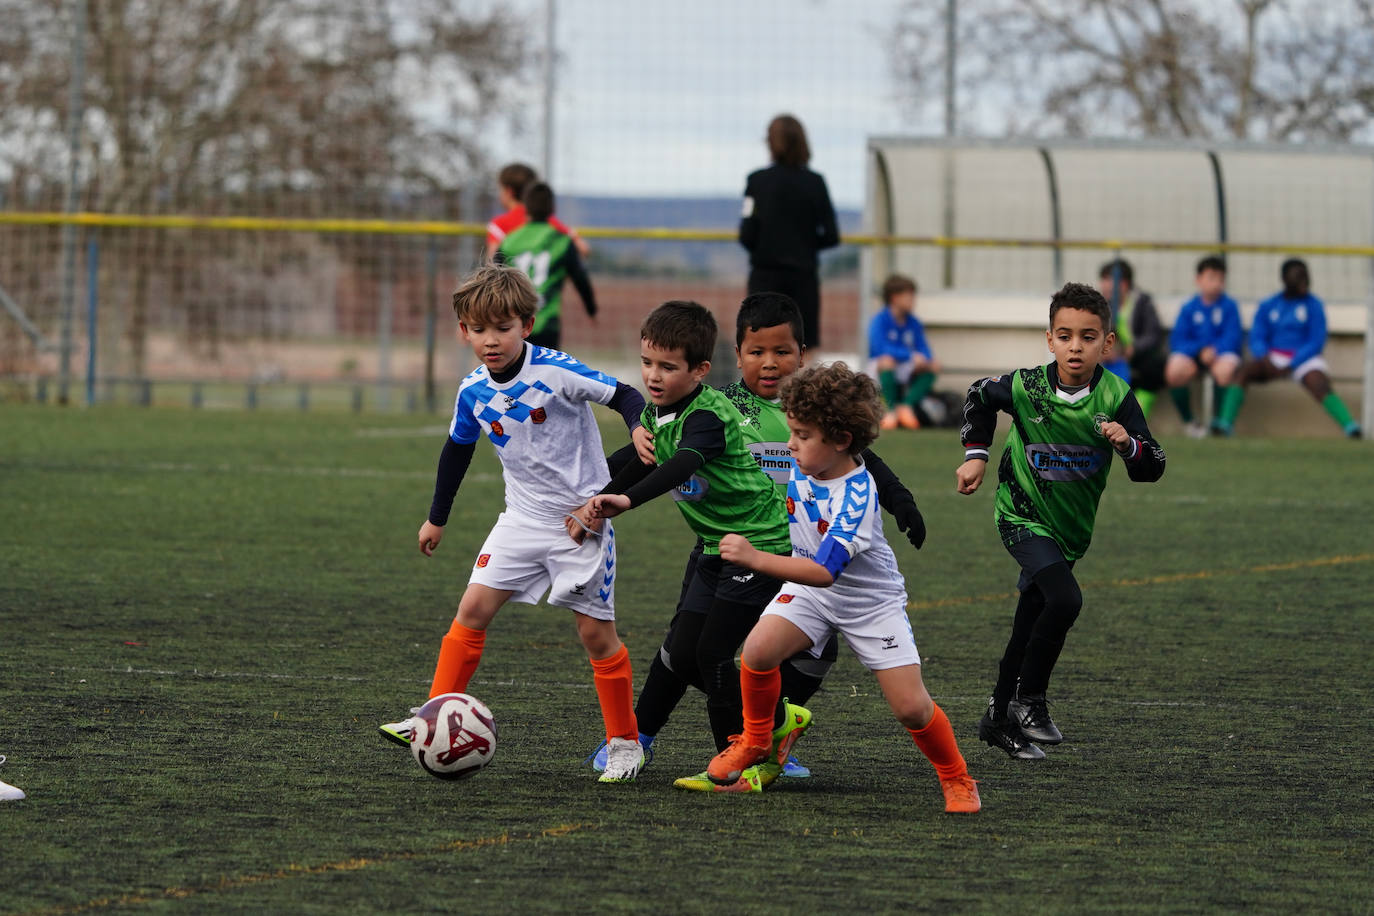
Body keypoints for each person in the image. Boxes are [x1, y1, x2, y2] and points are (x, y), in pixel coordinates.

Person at [584, 292, 929, 790]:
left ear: (802, 354)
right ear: (736, 355)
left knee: (791, 653)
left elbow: (865, 458)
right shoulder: (720, 407)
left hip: (792, 546)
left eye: (782, 352)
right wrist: (600, 484)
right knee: (687, 650)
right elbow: (658, 448)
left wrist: (901, 500)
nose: (769, 363)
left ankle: (756, 740)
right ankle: (642, 735)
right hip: (720, 541)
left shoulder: (815, 412)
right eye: (756, 352)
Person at [377, 263, 650, 783]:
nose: (490, 340)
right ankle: (431, 718)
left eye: (502, 328)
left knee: (596, 636)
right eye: (478, 330)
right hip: (520, 520)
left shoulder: (555, 370)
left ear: (527, 324)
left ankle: (624, 743)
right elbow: (456, 451)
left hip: (580, 522)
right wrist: (437, 519)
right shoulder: (471, 391)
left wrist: (637, 428)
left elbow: (626, 395)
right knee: (472, 608)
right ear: (464, 332)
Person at [706, 363, 980, 813]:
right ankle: (756, 740)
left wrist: (755, 558)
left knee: (911, 708)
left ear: (841, 441)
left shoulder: (856, 495)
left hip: (868, 605)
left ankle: (957, 778)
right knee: (756, 652)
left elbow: (825, 571)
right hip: (812, 592)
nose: (790, 444)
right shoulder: (810, 462)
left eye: (801, 435)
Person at [573, 300, 802, 793]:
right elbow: (636, 459)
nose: (653, 377)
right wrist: (580, 494)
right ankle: (777, 721)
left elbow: (678, 465)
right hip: (715, 548)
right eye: (647, 363)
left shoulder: (709, 417)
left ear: (700, 370)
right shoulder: (659, 412)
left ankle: (733, 762)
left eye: (668, 367)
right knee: (687, 654)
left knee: (714, 653)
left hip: (760, 547)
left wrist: (625, 501)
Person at [956, 282, 1166, 760]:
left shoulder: (1116, 396)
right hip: (1021, 516)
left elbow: (1153, 465)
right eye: (1066, 336)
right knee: (1065, 600)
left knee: (1030, 617)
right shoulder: (1026, 386)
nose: (1076, 346)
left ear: (1107, 343)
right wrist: (976, 456)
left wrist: (1127, 445)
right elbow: (978, 395)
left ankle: (996, 718)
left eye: (1088, 337)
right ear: (1049, 339)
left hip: (1070, 531)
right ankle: (1030, 700)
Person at [1213, 258, 1361, 438]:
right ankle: (1224, 424)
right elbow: (1257, 335)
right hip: (1272, 358)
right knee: (1242, 372)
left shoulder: (1314, 305)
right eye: (1298, 277)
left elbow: (1316, 340)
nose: (1304, 282)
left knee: (1319, 382)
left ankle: (1350, 427)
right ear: (1285, 279)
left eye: (1306, 277)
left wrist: (1294, 362)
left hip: (1303, 358)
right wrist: (1264, 356)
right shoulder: (1269, 305)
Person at [739, 114, 839, 350]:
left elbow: (746, 234)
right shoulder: (815, 183)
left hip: (764, 278)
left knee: (760, 342)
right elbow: (832, 234)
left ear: (770, 143)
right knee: (804, 343)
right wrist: (804, 245)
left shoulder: (756, 182)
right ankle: (802, 388)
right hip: (803, 278)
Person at [495, 182, 597, 351]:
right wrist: (591, 310)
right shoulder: (561, 241)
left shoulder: (509, 241)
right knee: (546, 374)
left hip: (514, 323)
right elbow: (580, 278)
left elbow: (492, 279)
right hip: (546, 322)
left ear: (525, 208)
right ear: (552, 210)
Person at [1164, 255, 1244, 438]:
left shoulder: (1230, 307)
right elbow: (1178, 340)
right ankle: (1190, 423)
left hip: (1220, 355)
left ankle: (1220, 423)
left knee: (1225, 370)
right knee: (1174, 371)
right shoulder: (1189, 308)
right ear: (1198, 280)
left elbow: (1234, 337)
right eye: (1211, 278)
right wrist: (1199, 350)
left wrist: (1215, 350)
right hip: (1195, 356)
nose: (1216, 283)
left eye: (1220, 279)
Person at [868, 273, 940, 430]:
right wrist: (909, 355)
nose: (913, 301)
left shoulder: (913, 323)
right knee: (887, 361)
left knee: (933, 365)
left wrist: (923, 359)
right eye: (909, 296)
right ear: (895, 298)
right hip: (879, 368)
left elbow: (924, 348)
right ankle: (890, 411)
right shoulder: (880, 320)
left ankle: (905, 407)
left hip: (905, 368)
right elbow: (879, 348)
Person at [1097, 259, 1167, 417]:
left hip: (1136, 356)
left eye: (1108, 280)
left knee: (1153, 369)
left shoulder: (1142, 302)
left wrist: (1133, 349)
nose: (1104, 285)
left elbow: (1153, 334)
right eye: (1103, 280)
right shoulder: (1101, 305)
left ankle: (1137, 415)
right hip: (1110, 356)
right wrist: (1104, 350)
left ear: (1123, 283)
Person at [484, 162, 588, 261]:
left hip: (515, 279)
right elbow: (583, 249)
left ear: (509, 191)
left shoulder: (500, 224)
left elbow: (492, 262)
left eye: (500, 189)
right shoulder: (548, 221)